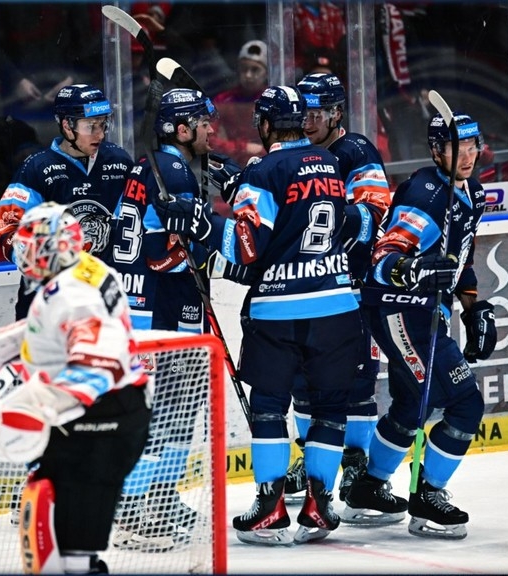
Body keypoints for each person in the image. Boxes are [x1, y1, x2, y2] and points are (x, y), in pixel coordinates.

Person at [153, 85, 363, 544]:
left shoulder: (263, 172)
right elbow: (329, 218)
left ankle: (270, 508)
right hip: (337, 304)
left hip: (279, 311)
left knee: (270, 407)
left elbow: (247, 248)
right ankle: (319, 505)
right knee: (329, 408)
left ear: (265, 126)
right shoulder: (329, 163)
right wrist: (237, 180)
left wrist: (202, 224)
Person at [343, 112, 495, 540]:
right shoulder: (426, 195)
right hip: (400, 310)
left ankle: (367, 489)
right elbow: (385, 257)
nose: (467, 155)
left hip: (423, 312)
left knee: (413, 405)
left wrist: (471, 305)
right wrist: (411, 270)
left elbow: (458, 258)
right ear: (436, 151)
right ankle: (428, 496)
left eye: (472, 145)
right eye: (455, 147)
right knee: (466, 404)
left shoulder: (473, 193)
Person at [0, 202, 152, 574]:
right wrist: (24, 337)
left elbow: (98, 363)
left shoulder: (74, 294)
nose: (22, 255)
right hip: (111, 412)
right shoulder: (87, 268)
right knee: (54, 521)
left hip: (104, 418)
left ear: (52, 249)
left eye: (28, 246)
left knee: (69, 551)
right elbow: (75, 330)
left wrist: (37, 404)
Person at [108, 88, 218, 551]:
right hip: (163, 308)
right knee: (172, 406)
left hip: (140, 305)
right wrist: (207, 240)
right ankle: (131, 509)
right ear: (182, 128)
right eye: (203, 123)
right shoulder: (174, 171)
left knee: (173, 406)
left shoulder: (149, 166)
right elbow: (161, 255)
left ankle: (159, 496)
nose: (212, 130)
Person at [282, 72, 393, 506]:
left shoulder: (356, 150)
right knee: (303, 379)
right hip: (307, 288)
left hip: (354, 287)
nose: (307, 121)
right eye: (302, 112)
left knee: (358, 383)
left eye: (316, 113)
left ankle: (356, 463)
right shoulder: (296, 152)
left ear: (335, 113)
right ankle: (310, 462)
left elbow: (371, 217)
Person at [0, 83, 133, 320]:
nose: (100, 134)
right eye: (91, 126)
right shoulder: (37, 168)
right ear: (67, 125)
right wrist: (45, 266)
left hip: (104, 296)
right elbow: (10, 230)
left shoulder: (119, 162)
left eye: (103, 124)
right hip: (48, 303)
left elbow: (133, 222)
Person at [210, 40, 268, 169]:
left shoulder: (272, 99)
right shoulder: (223, 100)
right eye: (244, 69)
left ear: (267, 73)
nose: (248, 75)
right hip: (232, 166)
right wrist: (243, 147)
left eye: (255, 69)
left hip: (266, 165)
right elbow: (210, 139)